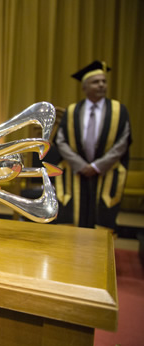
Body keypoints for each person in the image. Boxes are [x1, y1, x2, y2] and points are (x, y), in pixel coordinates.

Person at [55, 60, 131, 229]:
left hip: (106, 171)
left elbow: (123, 142)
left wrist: (97, 166)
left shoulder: (119, 110)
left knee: (102, 218)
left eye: (104, 81)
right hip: (76, 171)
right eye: (96, 82)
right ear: (85, 87)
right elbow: (60, 140)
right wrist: (81, 165)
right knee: (73, 218)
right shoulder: (72, 110)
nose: (101, 85)